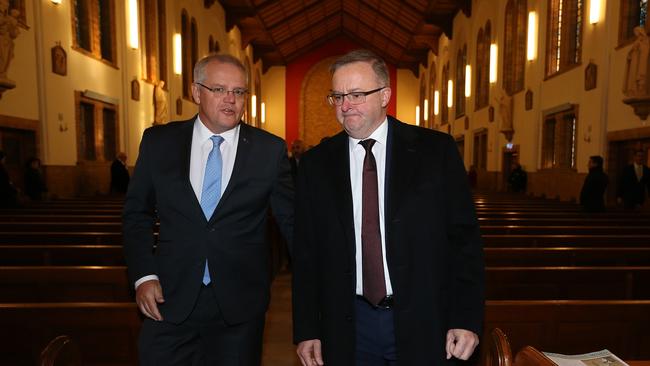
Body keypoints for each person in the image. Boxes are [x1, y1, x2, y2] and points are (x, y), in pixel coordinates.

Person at [292, 49, 484, 366]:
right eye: (337, 96)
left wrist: (466, 317)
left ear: (385, 95)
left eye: (356, 94)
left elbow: (464, 243)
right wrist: (307, 327)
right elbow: (306, 253)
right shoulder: (316, 164)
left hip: (423, 319)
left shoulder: (435, 152)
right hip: (347, 322)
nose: (345, 105)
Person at [123, 53, 294, 365]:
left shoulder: (269, 150)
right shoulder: (159, 142)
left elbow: (293, 223)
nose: (230, 100)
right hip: (168, 299)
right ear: (196, 91)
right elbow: (137, 214)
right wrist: (143, 275)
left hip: (239, 307)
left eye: (239, 92)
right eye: (219, 89)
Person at [623, 27, 650, 97]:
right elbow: (631, 52)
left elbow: (646, 51)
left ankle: (641, 89)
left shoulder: (646, 41)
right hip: (635, 62)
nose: (636, 35)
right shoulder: (637, 41)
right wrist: (630, 55)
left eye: (637, 33)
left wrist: (640, 46)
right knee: (633, 77)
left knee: (641, 75)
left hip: (641, 62)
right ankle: (635, 90)